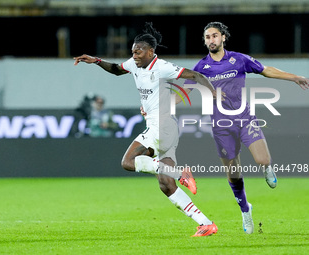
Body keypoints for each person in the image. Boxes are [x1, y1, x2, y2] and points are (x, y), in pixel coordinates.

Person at [73, 22, 218, 236]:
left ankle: (181, 173)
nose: (135, 55)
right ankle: (206, 224)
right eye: (133, 52)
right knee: (166, 185)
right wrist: (96, 61)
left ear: (151, 52)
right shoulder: (134, 64)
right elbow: (115, 69)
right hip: (164, 128)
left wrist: (213, 95)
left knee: (127, 162)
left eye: (138, 52)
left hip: (161, 126)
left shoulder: (163, 67)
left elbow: (196, 76)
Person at [185, 21, 309, 234]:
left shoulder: (238, 59)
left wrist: (294, 77)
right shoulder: (200, 68)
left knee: (262, 160)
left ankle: (268, 168)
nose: (211, 40)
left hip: (245, 118)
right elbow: (184, 91)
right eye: (207, 37)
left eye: (214, 36)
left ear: (223, 37)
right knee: (233, 173)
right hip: (221, 125)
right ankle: (245, 209)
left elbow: (265, 70)